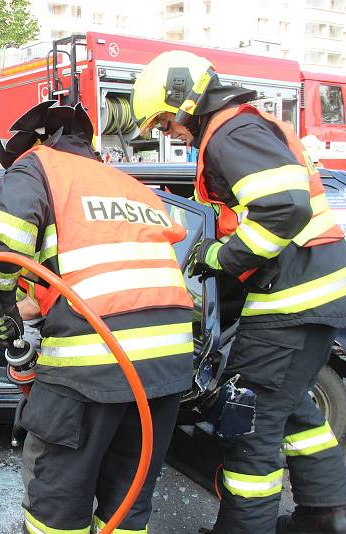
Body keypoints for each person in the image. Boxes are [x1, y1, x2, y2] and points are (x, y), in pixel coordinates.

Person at [132, 50, 346, 534]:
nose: (171, 135)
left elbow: (282, 208)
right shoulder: (243, 128)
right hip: (313, 289)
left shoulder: (231, 133)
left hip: (292, 300)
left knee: (249, 422)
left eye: (167, 123)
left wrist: (219, 259)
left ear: (185, 100)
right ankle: (326, 514)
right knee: (294, 410)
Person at [0, 100, 195, 534]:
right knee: (127, 507)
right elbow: (108, 274)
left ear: (36, 143)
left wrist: (0, 319)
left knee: (56, 509)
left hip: (93, 365)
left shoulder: (37, 166)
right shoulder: (126, 184)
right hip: (167, 366)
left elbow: (2, 250)